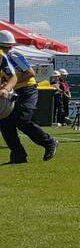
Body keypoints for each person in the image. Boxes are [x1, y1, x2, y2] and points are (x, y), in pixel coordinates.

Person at [0, 31, 57, 163]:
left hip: (27, 89)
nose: (6, 50)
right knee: (5, 123)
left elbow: (30, 73)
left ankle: (49, 142)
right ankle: (18, 155)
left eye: (6, 47)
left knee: (23, 119)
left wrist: (9, 84)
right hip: (11, 92)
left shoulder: (14, 56)